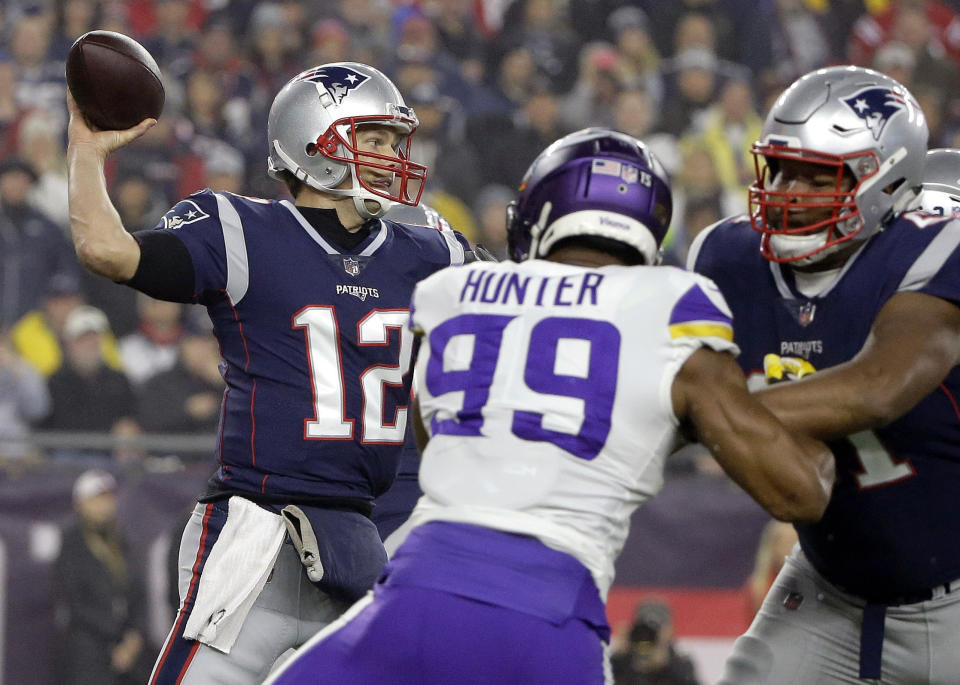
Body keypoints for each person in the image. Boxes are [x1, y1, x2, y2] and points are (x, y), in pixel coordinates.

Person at [264, 128, 834, 685]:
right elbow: (797, 492)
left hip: (415, 597)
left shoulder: (454, 292)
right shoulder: (671, 303)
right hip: (549, 616)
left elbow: (436, 444)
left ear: (538, 211)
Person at [65, 61, 475, 685]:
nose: (393, 157)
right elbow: (108, 251)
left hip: (362, 535)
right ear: (316, 140)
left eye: (396, 142)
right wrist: (86, 151)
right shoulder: (244, 230)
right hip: (255, 532)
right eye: (375, 140)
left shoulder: (429, 251)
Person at [687, 66, 960, 683]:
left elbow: (877, 389)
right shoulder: (728, 257)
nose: (788, 191)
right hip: (828, 586)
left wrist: (703, 408)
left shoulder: (936, 248)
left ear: (887, 181)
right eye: (780, 168)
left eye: (818, 176)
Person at [54, 469, 152, 685]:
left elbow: (138, 592)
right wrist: (115, 637)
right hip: (89, 654)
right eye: (96, 499)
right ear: (80, 504)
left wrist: (133, 637)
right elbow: (76, 602)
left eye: (108, 498)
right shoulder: (72, 544)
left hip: (127, 654)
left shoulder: (121, 542)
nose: (104, 506)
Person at [610, 599, 701, 685]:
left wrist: (666, 667)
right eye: (644, 629)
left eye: (657, 628)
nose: (649, 634)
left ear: (669, 630)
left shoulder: (681, 666)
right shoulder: (620, 663)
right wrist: (619, 659)